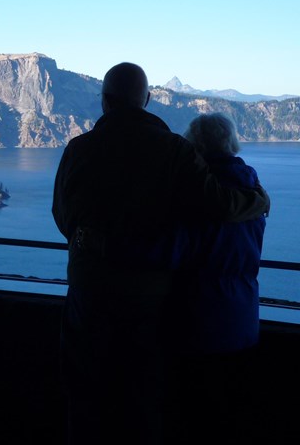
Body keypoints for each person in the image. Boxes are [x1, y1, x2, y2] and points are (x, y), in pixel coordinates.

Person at [51, 62, 270, 445]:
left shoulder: (77, 149)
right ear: (148, 100)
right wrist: (258, 201)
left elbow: (62, 216)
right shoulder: (172, 150)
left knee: (85, 398)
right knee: (141, 405)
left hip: (87, 296)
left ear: (105, 102)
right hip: (148, 304)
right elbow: (217, 205)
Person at [165, 113, 267, 444]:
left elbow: (176, 251)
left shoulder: (193, 192)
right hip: (242, 318)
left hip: (196, 319)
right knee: (230, 414)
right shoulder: (252, 186)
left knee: (192, 416)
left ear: (195, 145)